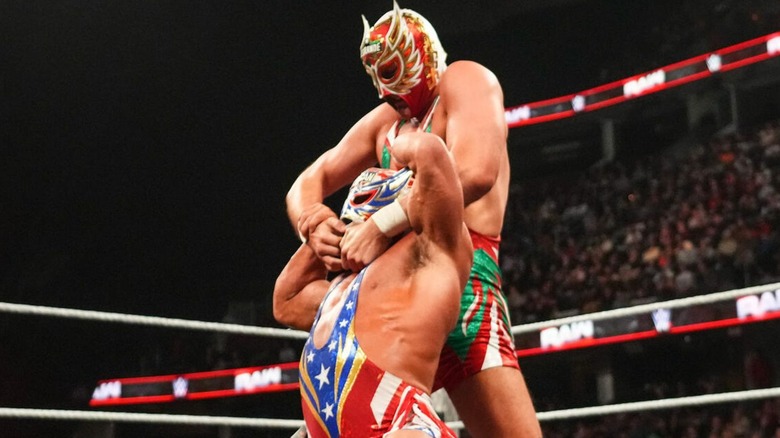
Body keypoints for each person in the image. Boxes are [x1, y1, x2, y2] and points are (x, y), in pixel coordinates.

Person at [286, 2, 541, 436]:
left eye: (389, 71)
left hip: (461, 287)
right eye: (375, 77)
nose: (384, 91)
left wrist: (382, 222)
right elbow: (309, 180)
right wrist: (313, 222)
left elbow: (475, 171)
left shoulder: (463, 80)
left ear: (419, 52)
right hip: (386, 296)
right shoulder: (389, 122)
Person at [274, 131, 473, 437]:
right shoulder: (342, 291)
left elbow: (431, 153)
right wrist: (320, 229)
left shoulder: (430, 252)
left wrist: (394, 145)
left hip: (402, 426)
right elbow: (286, 302)